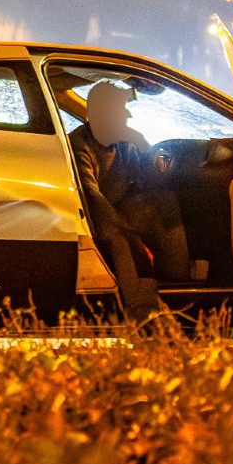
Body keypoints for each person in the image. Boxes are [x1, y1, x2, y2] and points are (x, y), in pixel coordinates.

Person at [67, 82, 168, 327]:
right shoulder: (80, 144)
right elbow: (90, 194)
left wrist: (148, 149)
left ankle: (168, 290)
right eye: (120, 110)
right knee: (119, 240)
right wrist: (122, 223)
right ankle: (140, 311)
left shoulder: (123, 143)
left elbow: (144, 176)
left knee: (163, 210)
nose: (127, 115)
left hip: (118, 215)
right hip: (93, 221)